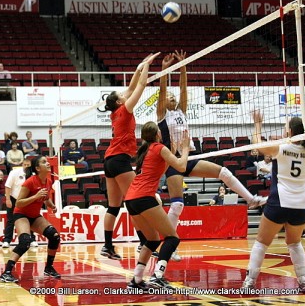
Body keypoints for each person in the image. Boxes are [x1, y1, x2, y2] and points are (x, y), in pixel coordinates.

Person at [156, 50, 267, 261]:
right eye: (168, 96)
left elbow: (182, 88)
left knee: (224, 172)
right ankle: (171, 247)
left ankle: (251, 199)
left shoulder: (181, 111)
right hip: (172, 161)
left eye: (173, 97)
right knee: (178, 204)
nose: (171, 97)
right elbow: (163, 90)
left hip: (188, 158)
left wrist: (183, 67)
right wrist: (164, 70)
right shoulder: (163, 113)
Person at [242, 111, 305, 292]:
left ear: (289, 132)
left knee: (261, 242)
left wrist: (258, 123)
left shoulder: (281, 147)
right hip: (300, 205)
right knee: (295, 243)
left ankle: (250, 281)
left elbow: (257, 144)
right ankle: (304, 281)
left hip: (279, 202)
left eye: (285, 128)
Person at [102, 52, 161, 260]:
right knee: (134, 201)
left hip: (109, 160)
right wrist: (148, 67)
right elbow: (140, 87)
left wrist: (140, 65)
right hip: (120, 159)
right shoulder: (125, 110)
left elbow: (130, 86)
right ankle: (144, 242)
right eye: (122, 96)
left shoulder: (115, 111)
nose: (125, 95)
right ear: (120, 102)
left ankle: (107, 246)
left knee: (113, 206)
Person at [125, 122, 189, 289]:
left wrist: (174, 151)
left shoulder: (145, 151)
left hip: (131, 199)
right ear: (158, 134)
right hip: (144, 197)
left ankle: (136, 280)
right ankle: (158, 275)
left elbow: (163, 166)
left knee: (152, 240)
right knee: (172, 238)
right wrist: (186, 148)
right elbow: (181, 166)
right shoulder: (159, 147)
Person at [0, 156, 60, 283]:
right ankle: (6, 272)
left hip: (34, 216)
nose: (48, 163)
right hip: (21, 214)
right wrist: (35, 196)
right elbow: (19, 203)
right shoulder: (30, 182)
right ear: (37, 168)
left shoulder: (48, 181)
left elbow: (46, 197)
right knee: (25, 241)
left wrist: (52, 205)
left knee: (54, 236)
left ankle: (48, 267)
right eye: (44, 162)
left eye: (47, 161)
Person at [2, 158, 38, 248]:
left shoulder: (34, 175)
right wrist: (7, 199)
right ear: (22, 164)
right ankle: (7, 240)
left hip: (28, 199)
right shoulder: (14, 172)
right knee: (10, 220)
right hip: (14, 198)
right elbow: (7, 186)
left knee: (30, 219)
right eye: (25, 165)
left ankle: (32, 239)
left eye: (28, 165)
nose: (26, 167)